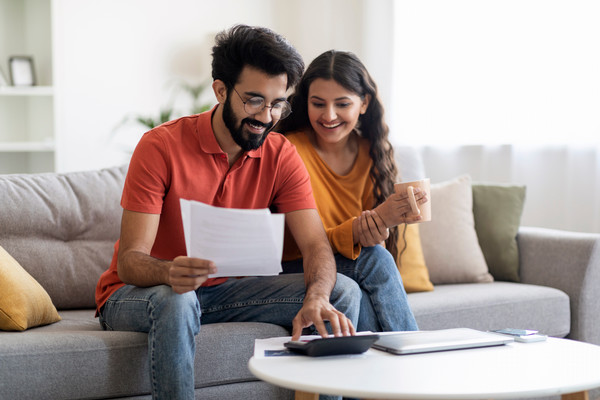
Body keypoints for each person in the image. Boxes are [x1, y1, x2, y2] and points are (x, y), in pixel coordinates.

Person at [94, 26, 361, 399]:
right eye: (254, 100)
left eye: (278, 103)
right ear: (220, 90)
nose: (266, 116)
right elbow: (130, 262)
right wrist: (170, 271)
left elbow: (316, 245)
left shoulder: (281, 153)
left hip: (226, 293)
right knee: (178, 297)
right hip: (139, 293)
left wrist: (316, 296)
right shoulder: (161, 146)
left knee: (342, 292)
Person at [279, 50, 426, 333]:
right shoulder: (289, 149)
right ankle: (413, 352)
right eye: (318, 103)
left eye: (342, 103)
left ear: (364, 103)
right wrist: (358, 234)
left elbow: (368, 248)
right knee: (374, 259)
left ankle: (375, 372)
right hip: (297, 265)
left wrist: (375, 232)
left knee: (366, 279)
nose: (329, 115)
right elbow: (299, 244)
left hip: (351, 266)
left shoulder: (371, 153)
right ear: (304, 102)